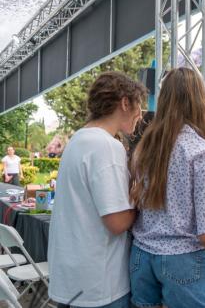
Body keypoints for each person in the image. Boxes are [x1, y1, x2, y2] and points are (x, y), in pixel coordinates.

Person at [129, 68, 205, 308]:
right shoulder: (203, 153)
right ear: (200, 101)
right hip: (184, 262)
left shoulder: (145, 150)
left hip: (141, 257)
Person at [48, 71, 147, 307]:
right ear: (125, 102)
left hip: (71, 280)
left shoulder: (77, 141)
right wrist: (140, 198)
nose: (140, 115)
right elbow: (116, 222)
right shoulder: (106, 145)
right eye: (138, 107)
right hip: (100, 286)